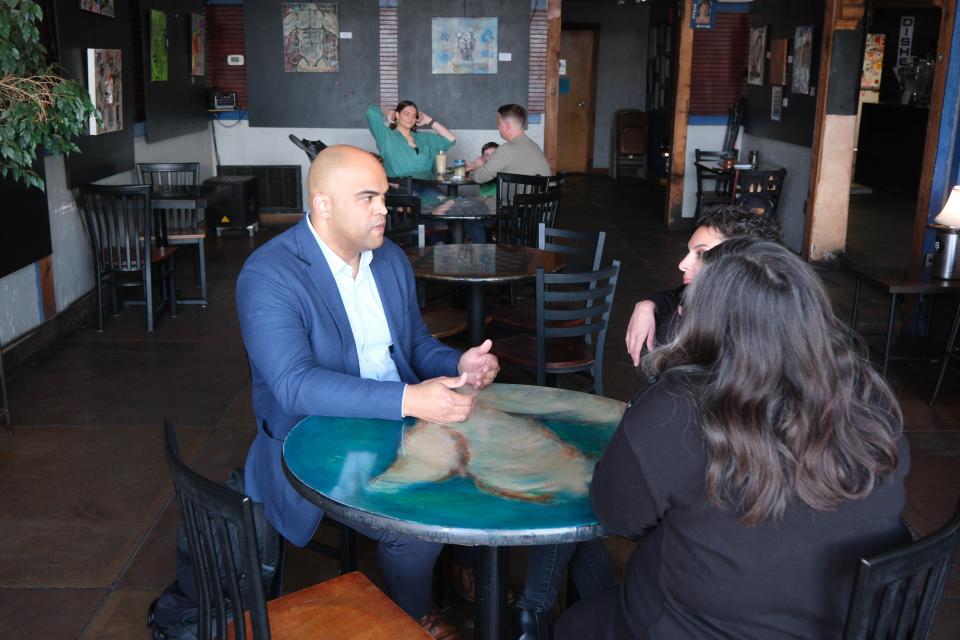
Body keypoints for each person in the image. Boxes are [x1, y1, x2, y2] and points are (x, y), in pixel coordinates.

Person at [557, 238, 910, 639]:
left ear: (706, 322)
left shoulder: (675, 409)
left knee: (575, 624)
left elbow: (617, 514)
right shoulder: (869, 399)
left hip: (701, 628)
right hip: (851, 625)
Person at [236, 145, 499, 638]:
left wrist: (459, 362)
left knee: (484, 465)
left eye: (383, 195)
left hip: (398, 422)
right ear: (323, 205)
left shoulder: (389, 259)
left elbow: (415, 344)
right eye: (368, 197)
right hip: (319, 440)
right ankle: (414, 616)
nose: (384, 208)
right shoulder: (270, 274)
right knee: (411, 524)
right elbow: (294, 385)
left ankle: (464, 556)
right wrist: (410, 400)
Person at [624, 205, 781, 365]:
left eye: (701, 254)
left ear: (742, 262)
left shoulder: (744, 344)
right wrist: (647, 305)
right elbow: (677, 295)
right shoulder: (703, 299)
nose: (682, 264)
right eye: (689, 252)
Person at [466, 104, 552, 244]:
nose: (498, 127)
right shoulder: (533, 146)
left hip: (518, 216)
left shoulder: (507, 149)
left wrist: (477, 166)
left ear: (506, 125)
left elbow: (480, 177)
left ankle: (481, 258)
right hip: (540, 215)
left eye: (498, 123)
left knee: (470, 216)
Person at [365, 100, 456, 179]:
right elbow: (371, 112)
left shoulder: (424, 138)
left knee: (449, 199)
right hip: (401, 189)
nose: (410, 118)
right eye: (406, 114)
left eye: (413, 116)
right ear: (398, 115)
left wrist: (428, 120)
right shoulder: (386, 136)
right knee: (439, 199)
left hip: (427, 186)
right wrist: (389, 112)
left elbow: (451, 140)